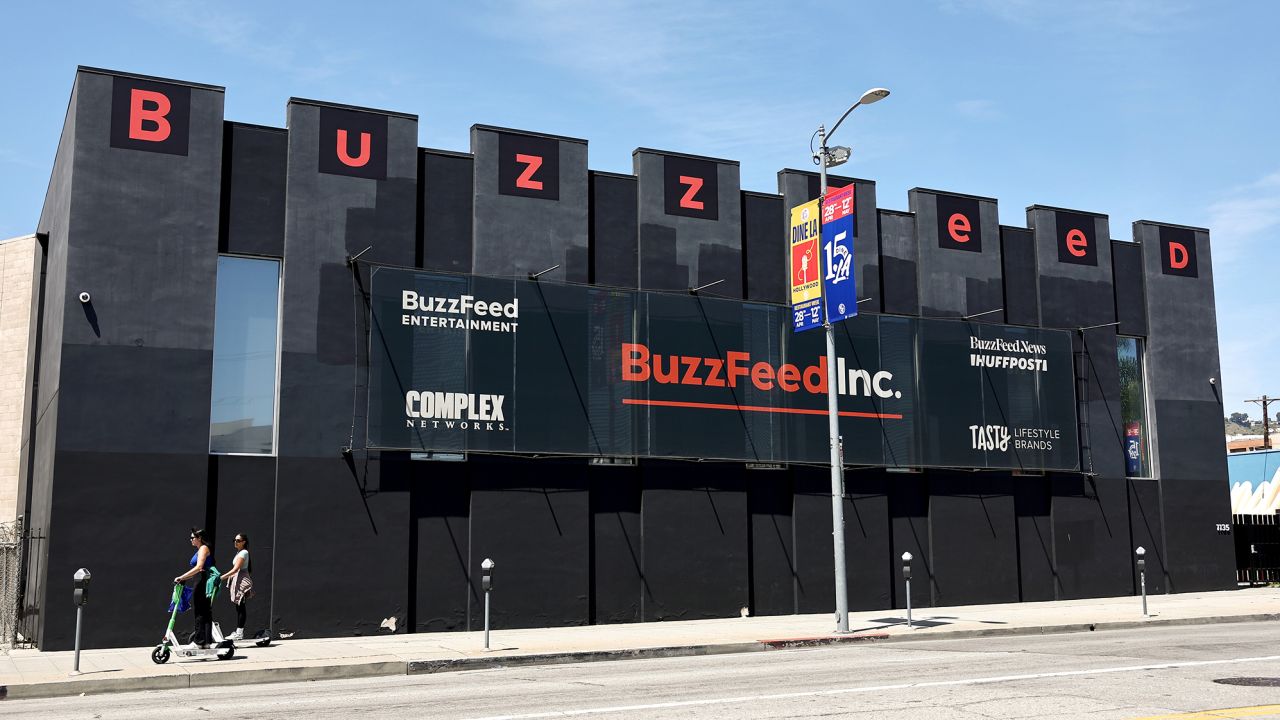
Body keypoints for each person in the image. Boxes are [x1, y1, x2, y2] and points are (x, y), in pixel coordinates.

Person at [174, 528, 218, 649]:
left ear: (200, 538)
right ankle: (206, 641)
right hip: (200, 579)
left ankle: (199, 641)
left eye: (193, 538)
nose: (191, 540)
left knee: (200, 611)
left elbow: (199, 567)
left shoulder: (203, 548)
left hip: (202, 581)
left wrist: (181, 577)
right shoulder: (200, 549)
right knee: (205, 611)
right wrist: (184, 578)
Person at [219, 533, 253, 641]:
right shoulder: (239, 552)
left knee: (241, 607)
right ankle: (239, 632)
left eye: (238, 540)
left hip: (242, 581)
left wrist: (221, 578)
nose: (235, 542)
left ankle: (239, 633)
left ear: (244, 542)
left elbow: (235, 569)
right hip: (238, 580)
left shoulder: (244, 552)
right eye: (234, 540)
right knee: (239, 607)